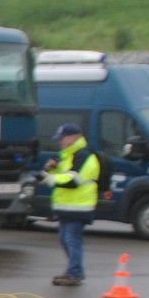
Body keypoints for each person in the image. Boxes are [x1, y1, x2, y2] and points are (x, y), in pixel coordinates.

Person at [44, 122, 99, 286]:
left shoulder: (83, 156)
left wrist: (49, 178)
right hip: (67, 206)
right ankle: (75, 271)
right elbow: (63, 175)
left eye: (62, 138)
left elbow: (73, 180)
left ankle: (74, 273)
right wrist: (50, 169)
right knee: (64, 238)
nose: (60, 141)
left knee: (71, 239)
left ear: (72, 137)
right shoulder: (67, 155)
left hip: (79, 206)